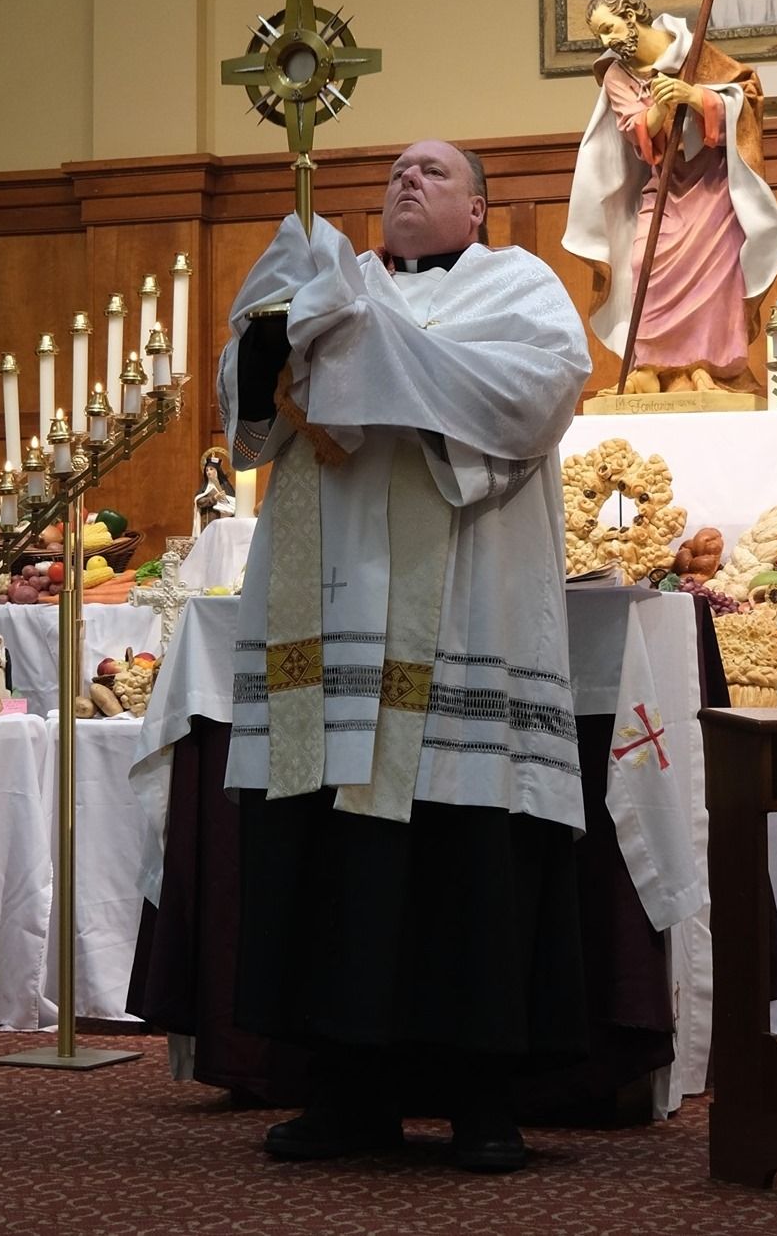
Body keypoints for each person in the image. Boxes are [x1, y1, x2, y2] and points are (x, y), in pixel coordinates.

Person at [220, 139, 592, 1172]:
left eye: (433, 172)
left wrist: (364, 343)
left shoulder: (519, 286)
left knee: (465, 850)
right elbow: (252, 418)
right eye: (394, 173)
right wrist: (278, 336)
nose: (406, 182)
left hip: (466, 611)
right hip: (333, 617)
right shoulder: (332, 287)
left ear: (478, 208)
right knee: (336, 852)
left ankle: (483, 1099)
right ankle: (347, 1093)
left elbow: (534, 397)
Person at [562, 0, 777, 395]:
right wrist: (659, 110)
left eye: (609, 29)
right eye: (599, 35)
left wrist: (696, 96)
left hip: (714, 184)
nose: (606, 42)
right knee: (645, 265)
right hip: (664, 185)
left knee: (718, 276)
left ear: (632, 15)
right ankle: (651, 365)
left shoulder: (692, 49)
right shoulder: (618, 75)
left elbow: (748, 95)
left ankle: (707, 368)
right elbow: (633, 129)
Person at [192, 448, 236, 534]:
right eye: (207, 470)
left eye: (211, 469)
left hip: (222, 524)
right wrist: (214, 498)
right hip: (206, 523)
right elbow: (199, 501)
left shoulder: (226, 487)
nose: (208, 472)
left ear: (217, 471)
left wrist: (224, 500)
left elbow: (233, 505)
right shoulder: (205, 488)